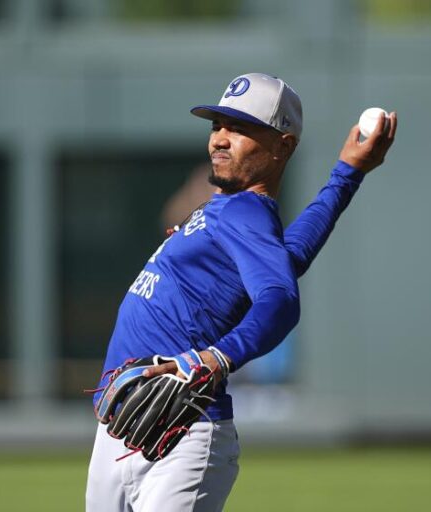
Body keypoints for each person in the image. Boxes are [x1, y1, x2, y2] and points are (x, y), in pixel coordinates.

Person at [86, 72, 397, 512]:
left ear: (282, 146)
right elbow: (289, 260)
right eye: (217, 126)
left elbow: (280, 299)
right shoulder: (231, 210)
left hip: (181, 432)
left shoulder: (245, 212)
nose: (219, 139)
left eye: (239, 129)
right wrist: (346, 175)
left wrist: (218, 357)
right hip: (123, 428)